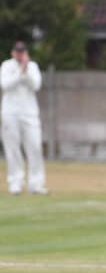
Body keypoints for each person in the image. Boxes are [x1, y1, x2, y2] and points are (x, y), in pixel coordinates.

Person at [0, 41, 48, 195]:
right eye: (18, 51)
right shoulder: (6, 66)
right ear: (13, 52)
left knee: (35, 146)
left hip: (30, 113)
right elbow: (5, 85)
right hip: (10, 112)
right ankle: (16, 183)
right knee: (12, 148)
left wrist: (26, 71)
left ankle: (36, 184)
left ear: (26, 52)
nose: (20, 54)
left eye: (23, 51)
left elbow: (36, 85)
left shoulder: (33, 66)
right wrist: (20, 71)